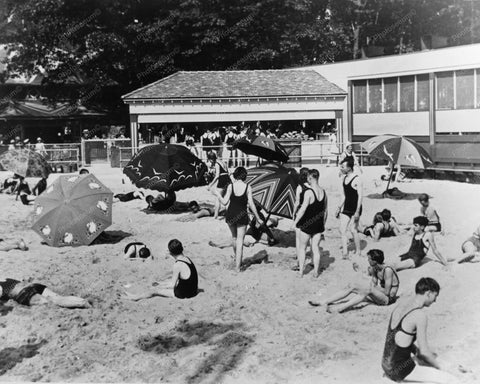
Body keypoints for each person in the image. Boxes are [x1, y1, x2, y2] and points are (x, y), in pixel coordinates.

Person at [381, 278, 460, 383]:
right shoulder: (419, 315)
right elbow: (424, 352)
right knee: (451, 379)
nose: (435, 300)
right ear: (428, 293)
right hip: (400, 372)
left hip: (386, 366)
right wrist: (441, 368)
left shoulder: (399, 307)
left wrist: (415, 351)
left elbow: (398, 339)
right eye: (435, 296)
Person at [309, 249, 399, 313]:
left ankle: (340, 308)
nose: (368, 260)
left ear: (375, 261)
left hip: (388, 300)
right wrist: (369, 284)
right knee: (352, 285)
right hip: (380, 295)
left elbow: (387, 292)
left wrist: (371, 287)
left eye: (369, 259)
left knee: (368, 289)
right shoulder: (374, 268)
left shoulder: (388, 270)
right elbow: (374, 283)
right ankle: (324, 301)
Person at [212, 166, 262, 272]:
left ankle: (236, 258)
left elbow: (224, 202)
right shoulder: (248, 187)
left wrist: (217, 194)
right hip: (242, 215)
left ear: (235, 174)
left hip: (231, 214)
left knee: (234, 238)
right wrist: (258, 218)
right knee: (240, 241)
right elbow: (252, 204)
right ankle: (238, 268)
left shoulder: (230, 186)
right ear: (244, 176)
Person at [122, 239, 198, 300]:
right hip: (193, 291)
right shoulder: (187, 259)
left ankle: (134, 297)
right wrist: (161, 283)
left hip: (183, 294)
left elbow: (172, 285)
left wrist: (160, 287)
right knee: (161, 282)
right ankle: (156, 286)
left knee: (154, 290)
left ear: (171, 253)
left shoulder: (178, 265)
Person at [293, 169, 327, 278]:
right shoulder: (323, 192)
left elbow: (302, 210)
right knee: (315, 248)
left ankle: (301, 272)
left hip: (307, 224)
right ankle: (316, 272)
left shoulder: (308, 192)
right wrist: (323, 224)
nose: (307, 179)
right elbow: (326, 211)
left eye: (308, 177)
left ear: (311, 178)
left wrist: (295, 222)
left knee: (302, 248)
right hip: (318, 225)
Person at [0, 277, 90, 308]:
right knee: (58, 298)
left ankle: (81, 303)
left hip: (24, 294)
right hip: (33, 285)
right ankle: (83, 302)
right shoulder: (5, 279)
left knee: (52, 302)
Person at [336, 157, 363, 259]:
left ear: (349, 168)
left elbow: (360, 197)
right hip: (346, 207)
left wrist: (357, 212)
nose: (341, 168)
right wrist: (339, 207)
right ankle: (345, 252)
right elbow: (343, 196)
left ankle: (358, 251)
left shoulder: (357, 179)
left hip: (356, 207)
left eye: (343, 167)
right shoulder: (343, 179)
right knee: (342, 229)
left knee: (353, 229)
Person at [207, 151, 231, 219]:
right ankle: (228, 214)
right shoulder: (223, 162)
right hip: (228, 179)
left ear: (211, 159)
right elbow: (228, 172)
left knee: (218, 198)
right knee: (227, 198)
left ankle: (216, 216)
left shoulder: (217, 164)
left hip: (222, 180)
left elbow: (217, 176)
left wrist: (210, 185)